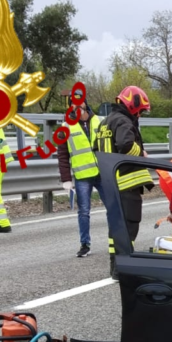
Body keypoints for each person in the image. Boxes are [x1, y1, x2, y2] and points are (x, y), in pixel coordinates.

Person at [94, 85, 155, 276]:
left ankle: (116, 267)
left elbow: (95, 148)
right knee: (129, 224)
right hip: (127, 183)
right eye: (140, 111)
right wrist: (142, 153)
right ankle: (125, 266)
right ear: (133, 104)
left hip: (110, 183)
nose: (140, 115)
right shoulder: (123, 121)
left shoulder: (105, 123)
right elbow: (126, 145)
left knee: (116, 227)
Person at [57, 100, 102, 257]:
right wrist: (66, 179)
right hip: (82, 176)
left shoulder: (100, 121)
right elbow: (62, 155)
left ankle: (117, 239)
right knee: (84, 211)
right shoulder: (65, 128)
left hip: (102, 173)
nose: (77, 107)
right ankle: (85, 244)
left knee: (114, 207)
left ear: (86, 104)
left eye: (80, 103)